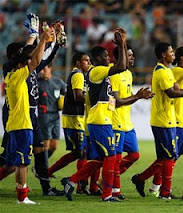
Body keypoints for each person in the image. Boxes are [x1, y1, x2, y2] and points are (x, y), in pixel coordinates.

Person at [0, 13, 65, 197]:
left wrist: (54, 42)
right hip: (18, 114)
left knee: (39, 150)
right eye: (24, 53)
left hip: (31, 116)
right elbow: (35, 56)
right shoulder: (14, 70)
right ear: (16, 56)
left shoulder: (27, 67)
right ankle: (33, 190)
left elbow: (43, 57)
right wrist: (37, 36)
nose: (29, 55)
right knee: (10, 160)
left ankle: (46, 189)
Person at [60, 28, 128, 202]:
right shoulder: (97, 71)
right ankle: (107, 195)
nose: (108, 59)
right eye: (106, 56)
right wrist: (121, 45)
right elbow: (122, 66)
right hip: (99, 122)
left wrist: (123, 45)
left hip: (101, 120)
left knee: (99, 160)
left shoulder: (102, 74)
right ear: (98, 59)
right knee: (111, 157)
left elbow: (121, 70)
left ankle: (71, 180)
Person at [131, 42, 183, 199]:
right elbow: (171, 93)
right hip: (163, 120)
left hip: (168, 119)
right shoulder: (161, 72)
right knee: (170, 156)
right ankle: (165, 192)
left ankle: (142, 178)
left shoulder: (167, 71)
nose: (173, 54)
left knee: (166, 157)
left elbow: (177, 89)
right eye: (171, 52)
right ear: (164, 54)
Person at [109, 46, 153, 199]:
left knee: (134, 155)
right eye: (129, 55)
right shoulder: (113, 75)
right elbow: (116, 102)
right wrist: (138, 96)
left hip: (126, 122)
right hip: (115, 122)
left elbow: (127, 99)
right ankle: (115, 191)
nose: (133, 58)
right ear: (120, 57)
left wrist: (139, 96)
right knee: (116, 159)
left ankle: (108, 179)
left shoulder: (128, 74)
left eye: (133, 55)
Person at [48, 52, 91, 179]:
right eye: (86, 60)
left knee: (79, 152)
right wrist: (92, 100)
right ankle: (79, 183)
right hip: (74, 118)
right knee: (80, 152)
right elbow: (78, 96)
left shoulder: (78, 74)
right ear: (78, 62)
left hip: (75, 117)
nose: (89, 63)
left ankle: (47, 173)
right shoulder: (78, 75)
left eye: (89, 60)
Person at [38, 63, 66, 159]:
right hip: (44, 116)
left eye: (44, 69)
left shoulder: (58, 82)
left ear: (50, 68)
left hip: (56, 116)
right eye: (40, 70)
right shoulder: (38, 84)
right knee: (45, 144)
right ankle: (43, 170)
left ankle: (39, 167)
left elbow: (67, 93)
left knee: (54, 145)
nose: (42, 72)